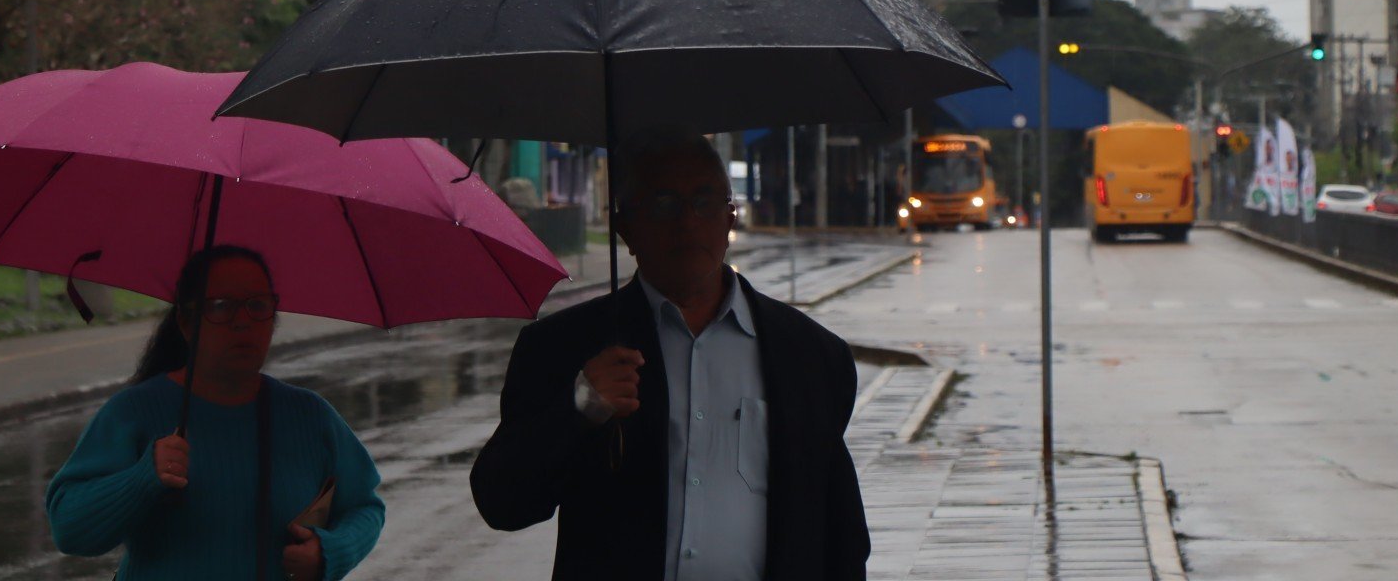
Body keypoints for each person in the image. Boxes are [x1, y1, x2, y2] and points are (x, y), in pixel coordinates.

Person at [470, 138, 870, 581]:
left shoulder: (811, 356)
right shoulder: (563, 348)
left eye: (704, 202)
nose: (687, 222)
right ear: (624, 226)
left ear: (730, 217)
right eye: (663, 204)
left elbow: (842, 533)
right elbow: (503, 503)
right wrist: (578, 409)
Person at [46, 245, 385, 580]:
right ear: (186, 322)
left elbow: (363, 507)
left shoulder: (310, 416)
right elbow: (69, 530)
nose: (243, 322)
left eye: (258, 305)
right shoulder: (133, 413)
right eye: (221, 307)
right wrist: (143, 478)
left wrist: (329, 552)